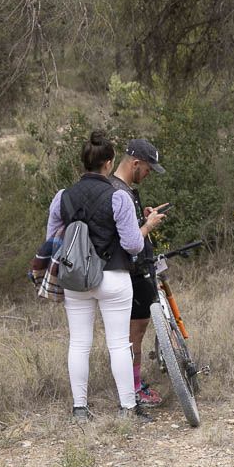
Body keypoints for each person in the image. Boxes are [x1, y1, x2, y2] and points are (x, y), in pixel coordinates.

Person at [46, 131, 165, 423]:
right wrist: (146, 226)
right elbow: (133, 245)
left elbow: (52, 240)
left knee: (79, 343)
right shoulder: (118, 197)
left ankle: (80, 409)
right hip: (113, 276)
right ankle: (128, 409)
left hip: (76, 279)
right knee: (118, 345)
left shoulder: (63, 197)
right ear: (109, 163)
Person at [110, 138, 169, 408]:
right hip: (130, 270)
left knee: (139, 328)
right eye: (147, 169)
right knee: (134, 332)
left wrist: (142, 218)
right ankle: (133, 387)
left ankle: (133, 384)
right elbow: (127, 240)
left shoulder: (126, 190)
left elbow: (125, 227)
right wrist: (148, 227)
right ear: (135, 163)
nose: (147, 175)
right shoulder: (117, 190)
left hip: (137, 268)